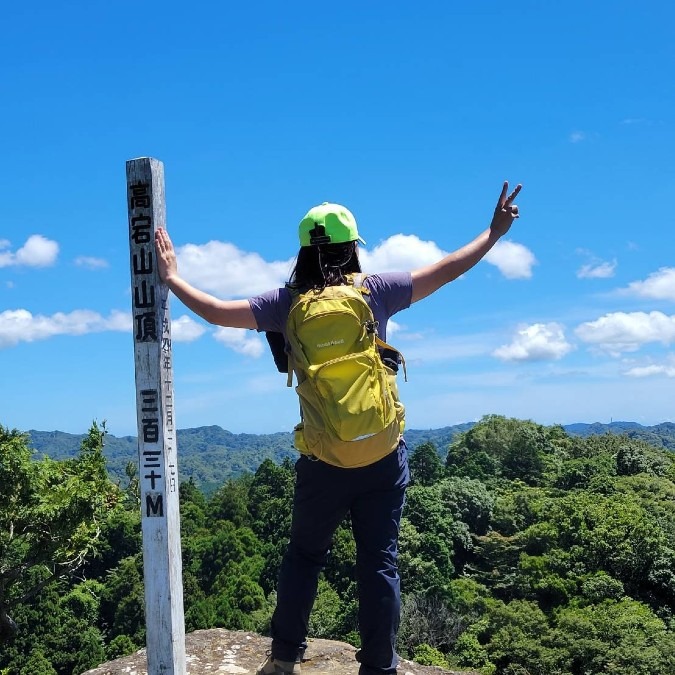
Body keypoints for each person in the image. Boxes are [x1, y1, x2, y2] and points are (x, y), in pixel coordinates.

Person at [154, 181, 522, 675]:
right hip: (382, 455)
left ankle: (284, 658)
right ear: (353, 248)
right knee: (379, 561)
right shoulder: (377, 292)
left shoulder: (284, 304)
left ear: (304, 251)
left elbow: (218, 312)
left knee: (304, 556)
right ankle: (379, 667)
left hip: (324, 461)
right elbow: (447, 268)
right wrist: (493, 233)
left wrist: (174, 280)